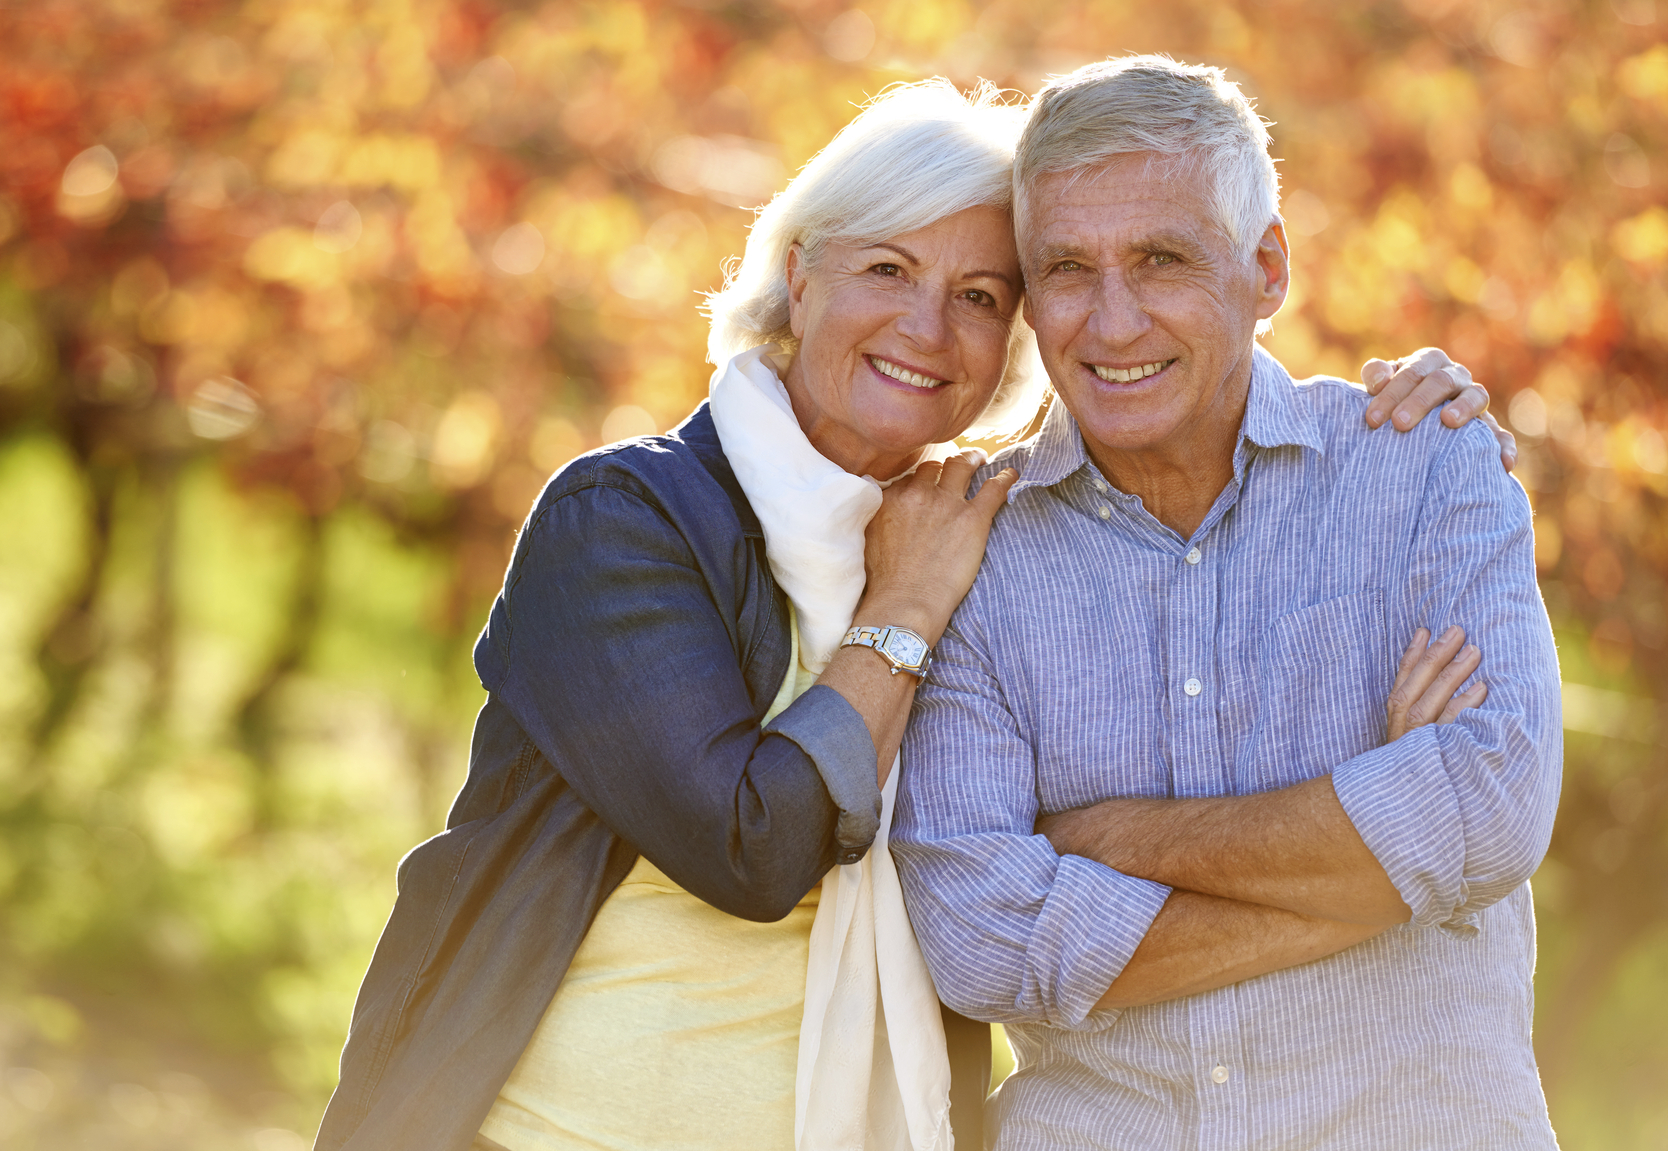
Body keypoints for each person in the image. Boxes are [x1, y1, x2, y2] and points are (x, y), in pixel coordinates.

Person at [313, 80, 1501, 1151]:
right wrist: (906, 608)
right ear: (798, 274)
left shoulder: (979, 528)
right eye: (887, 269)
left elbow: (1040, 869)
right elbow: (762, 844)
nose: (928, 329)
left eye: (980, 295)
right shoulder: (628, 519)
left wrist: (1427, 432)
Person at [890, 56, 1562, 1150]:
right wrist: (1380, 862)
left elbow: (1490, 805)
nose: (1112, 321)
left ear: (1266, 267)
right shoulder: (974, 546)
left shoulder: (1422, 468)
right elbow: (982, 937)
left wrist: (1113, 838)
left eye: (1162, 259)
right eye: (1066, 267)